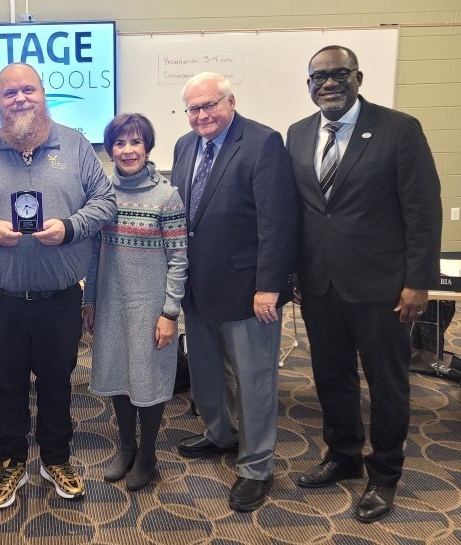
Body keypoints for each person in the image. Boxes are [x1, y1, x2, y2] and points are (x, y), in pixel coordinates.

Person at [0, 62, 116, 509]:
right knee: (6, 384)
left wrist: (72, 227)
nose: (19, 99)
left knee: (58, 382)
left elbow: (106, 202)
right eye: (8, 93)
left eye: (28, 90)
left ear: (43, 95)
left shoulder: (76, 146)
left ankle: (57, 459)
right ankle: (12, 462)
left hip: (58, 299)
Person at [286, 45, 442, 523]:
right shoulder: (298, 133)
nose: (327, 83)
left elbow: (423, 209)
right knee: (331, 376)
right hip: (320, 285)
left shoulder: (399, 129)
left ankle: (385, 473)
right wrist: (293, 272)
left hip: (383, 288)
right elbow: (300, 212)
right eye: (317, 77)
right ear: (308, 85)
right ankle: (343, 455)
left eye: (338, 74)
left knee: (387, 383)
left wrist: (419, 281)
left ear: (358, 76)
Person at [172, 72, 298, 512]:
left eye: (210, 105)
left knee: (254, 378)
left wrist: (269, 287)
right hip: (197, 284)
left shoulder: (263, 142)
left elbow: (276, 222)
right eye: (193, 108)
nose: (202, 115)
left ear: (230, 101)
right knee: (206, 370)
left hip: (249, 291)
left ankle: (256, 466)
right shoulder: (185, 146)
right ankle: (219, 433)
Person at [82, 113, 187, 491]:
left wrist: (170, 312)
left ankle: (148, 453)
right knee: (117, 374)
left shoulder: (167, 195)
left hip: (151, 306)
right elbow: (94, 254)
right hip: (111, 302)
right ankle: (125, 447)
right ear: (110, 149)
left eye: (136, 142)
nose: (128, 150)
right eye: (120, 143)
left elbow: (179, 258)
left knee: (148, 378)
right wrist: (89, 301)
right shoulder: (102, 195)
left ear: (147, 147)